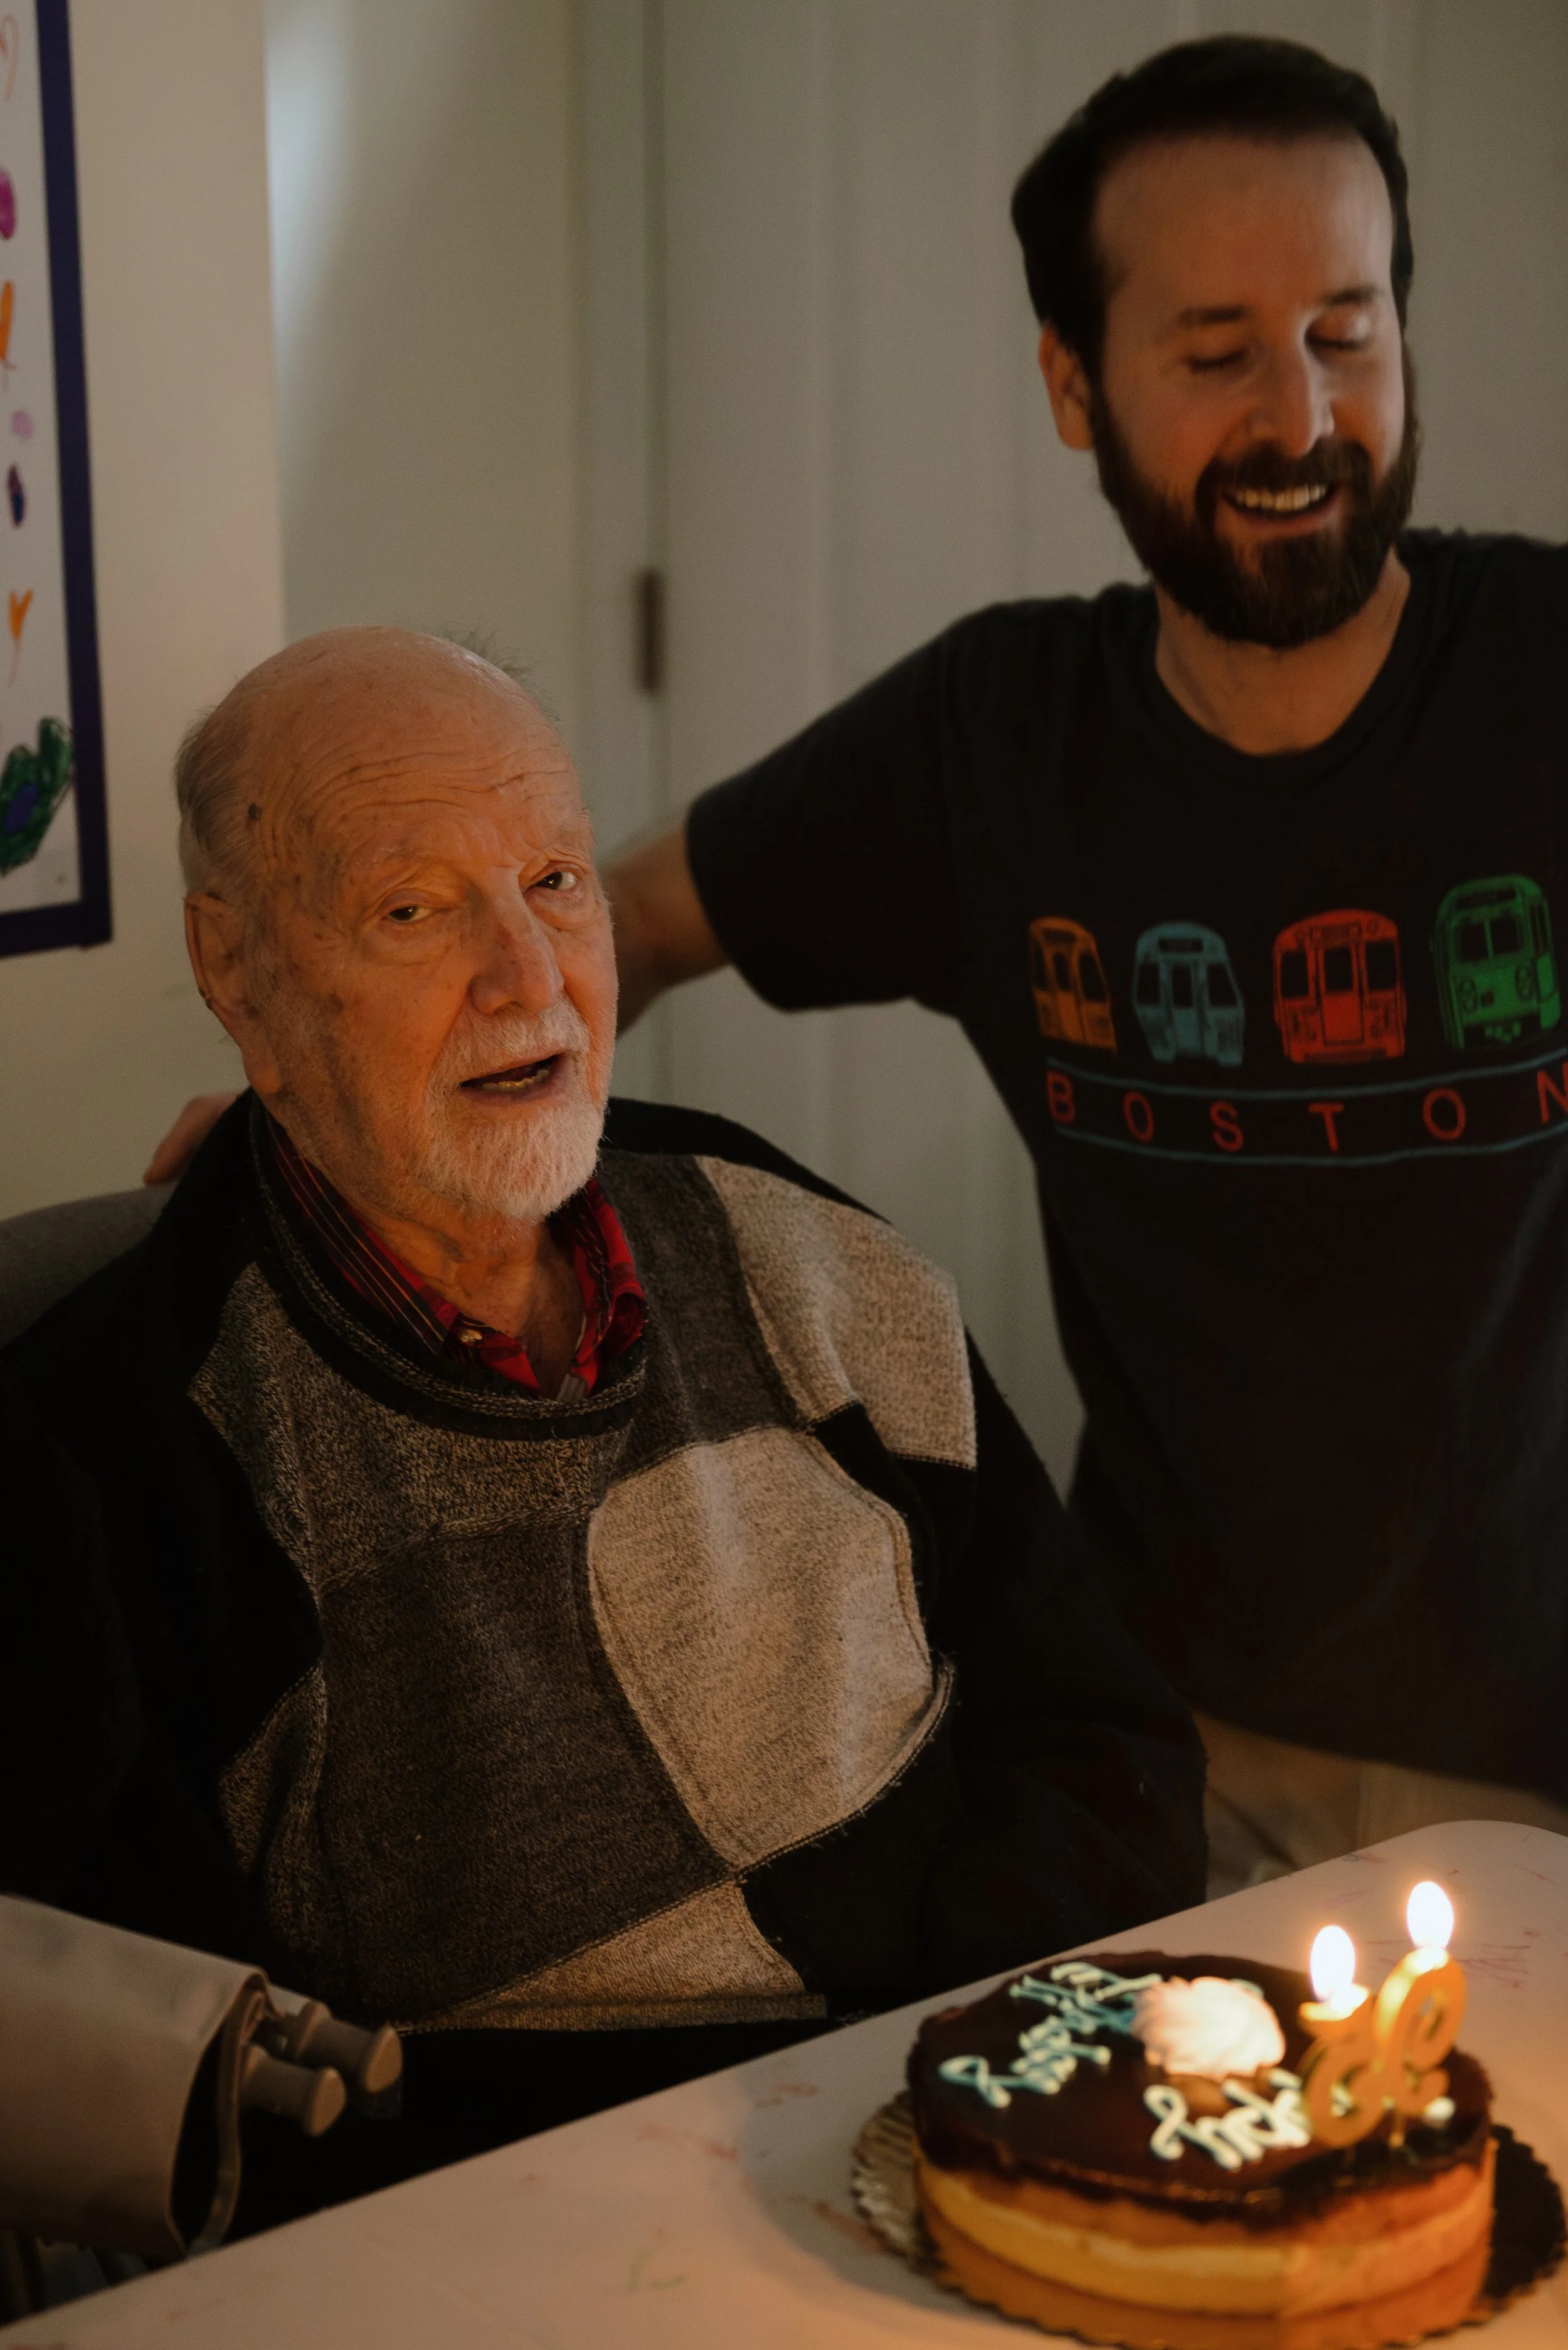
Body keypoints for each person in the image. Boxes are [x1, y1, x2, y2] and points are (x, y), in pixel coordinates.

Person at [151, 35, 1568, 1887]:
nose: (1298, 415)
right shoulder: (992, 740)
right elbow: (621, 928)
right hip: (1190, 1744)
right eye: (1216, 353)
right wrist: (319, 1123)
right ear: (1075, 385)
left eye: (1347, 329)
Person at [1, 627, 1203, 2232]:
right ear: (240, 975)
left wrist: (940, 2086)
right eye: (414, 910)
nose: (527, 977)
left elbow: (1101, 1747)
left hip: (956, 2161)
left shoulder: (808, 1256)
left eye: (557, 882)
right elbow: (211, 2106)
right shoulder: (108, 1458)